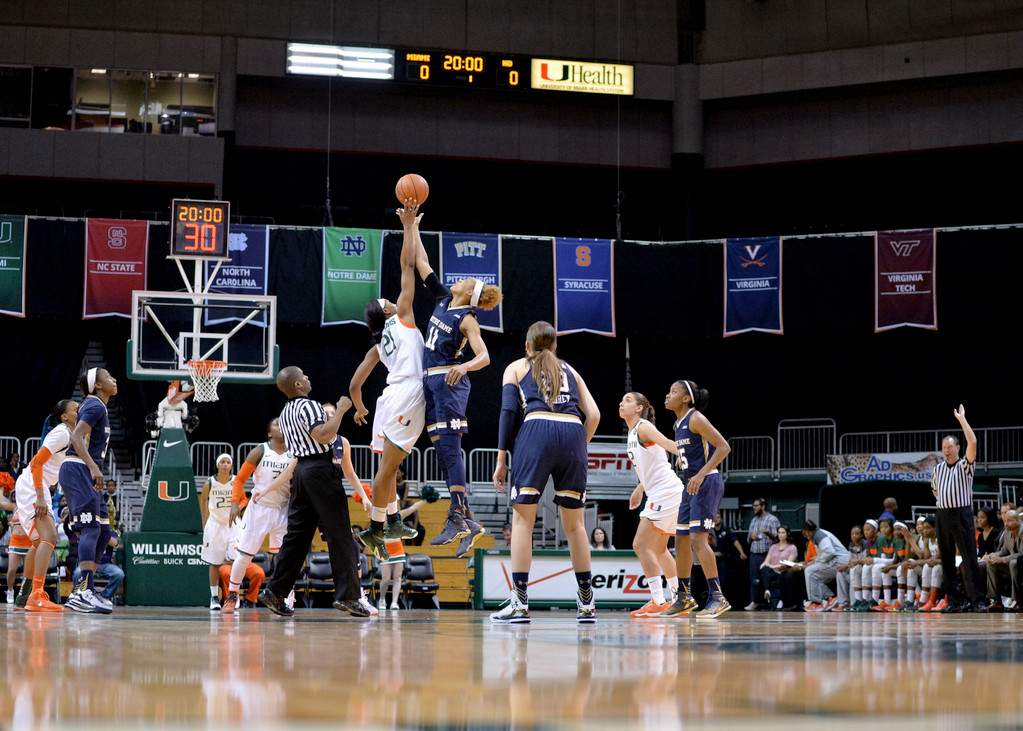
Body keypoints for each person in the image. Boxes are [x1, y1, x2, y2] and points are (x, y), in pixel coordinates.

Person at [491, 321, 600, 624]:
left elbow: (508, 412)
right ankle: (587, 603)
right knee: (575, 526)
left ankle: (520, 603)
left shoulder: (516, 367)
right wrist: (578, 444)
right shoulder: (571, 370)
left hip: (537, 427)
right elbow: (594, 415)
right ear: (555, 347)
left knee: (523, 522)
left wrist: (501, 459)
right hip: (573, 432)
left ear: (527, 346)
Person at [409, 206, 502, 556]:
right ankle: (468, 520)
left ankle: (457, 514)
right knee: (442, 451)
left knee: (451, 447)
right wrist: (414, 229)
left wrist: (464, 367)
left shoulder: (467, 319)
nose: (457, 279)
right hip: (431, 382)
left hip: (449, 383)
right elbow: (422, 265)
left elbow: (485, 356)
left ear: (469, 293)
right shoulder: (445, 298)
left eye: (464, 281)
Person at [257, 367, 368, 618]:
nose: (308, 378)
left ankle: (275, 591)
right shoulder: (310, 406)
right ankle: (349, 597)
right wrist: (340, 410)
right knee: (341, 535)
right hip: (320, 469)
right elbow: (323, 434)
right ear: (298, 385)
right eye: (304, 376)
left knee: (296, 538)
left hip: (301, 473)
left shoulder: (285, 413)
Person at [351, 201, 426, 561]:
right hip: (407, 393)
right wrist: (409, 227)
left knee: (387, 469)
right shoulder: (404, 316)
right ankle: (377, 528)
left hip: (388, 399)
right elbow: (407, 266)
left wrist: (362, 407)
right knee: (389, 470)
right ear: (386, 310)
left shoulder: (379, 344)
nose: (391, 299)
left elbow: (354, 386)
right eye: (386, 300)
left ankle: (388, 522)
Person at [660, 379, 732, 619]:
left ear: (686, 398)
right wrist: (684, 460)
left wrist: (700, 473)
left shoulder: (696, 418)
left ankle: (717, 597)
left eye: (673, 392)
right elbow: (692, 450)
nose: (667, 395)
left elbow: (723, 448)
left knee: (698, 540)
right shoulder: (677, 424)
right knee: (679, 541)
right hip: (690, 484)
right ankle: (684, 597)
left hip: (706, 481)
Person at [11, 399, 79, 612]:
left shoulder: (70, 434)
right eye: (76, 408)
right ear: (65, 416)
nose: (80, 410)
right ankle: (37, 596)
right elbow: (37, 463)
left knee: (39, 541)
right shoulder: (63, 433)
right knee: (49, 537)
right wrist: (40, 496)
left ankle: (26, 593)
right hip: (34, 485)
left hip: (33, 485)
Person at [620, 391, 683, 617]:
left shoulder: (643, 426)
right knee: (659, 549)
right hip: (665, 492)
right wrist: (640, 488)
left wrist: (689, 455)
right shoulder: (633, 433)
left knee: (640, 545)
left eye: (627, 400)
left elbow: (666, 444)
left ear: (639, 407)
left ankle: (658, 600)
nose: (621, 403)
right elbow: (661, 459)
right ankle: (679, 599)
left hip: (665, 492)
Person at [221, 418, 294, 613]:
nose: (281, 424)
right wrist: (235, 503)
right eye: (276, 423)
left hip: (283, 509)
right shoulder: (260, 451)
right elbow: (240, 480)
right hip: (258, 509)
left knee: (286, 558)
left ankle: (285, 598)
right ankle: (232, 595)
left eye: (283, 422)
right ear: (269, 433)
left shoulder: (295, 452)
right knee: (244, 556)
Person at [61, 367, 117, 614]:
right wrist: (94, 468)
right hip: (78, 469)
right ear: (98, 385)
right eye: (108, 377)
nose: (113, 379)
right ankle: (83, 590)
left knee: (104, 533)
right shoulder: (94, 405)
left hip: (86, 471)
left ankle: (83, 591)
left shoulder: (97, 405)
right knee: (92, 528)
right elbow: (75, 437)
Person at [931, 405, 986, 613]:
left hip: (962, 513)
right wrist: (944, 502)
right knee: (946, 560)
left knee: (969, 557)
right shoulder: (937, 469)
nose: (946, 450)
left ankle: (977, 601)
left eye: (950, 447)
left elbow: (973, 441)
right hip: (943, 515)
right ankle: (954, 602)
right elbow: (935, 491)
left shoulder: (965, 465)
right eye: (944, 447)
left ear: (958, 449)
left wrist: (962, 419)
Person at [201, 453, 236, 611]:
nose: (225, 464)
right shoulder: (210, 483)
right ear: (217, 465)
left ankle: (232, 596)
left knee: (236, 562)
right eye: (222, 461)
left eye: (228, 462)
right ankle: (214, 597)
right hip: (215, 525)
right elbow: (203, 500)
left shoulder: (236, 481)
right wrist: (204, 523)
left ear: (231, 465)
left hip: (232, 525)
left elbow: (242, 499)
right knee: (214, 563)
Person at [801, 520, 850, 612]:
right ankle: (830, 598)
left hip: (839, 561)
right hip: (837, 560)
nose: (805, 535)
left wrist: (817, 560)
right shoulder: (819, 533)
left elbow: (830, 552)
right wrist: (816, 560)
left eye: (804, 533)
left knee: (809, 571)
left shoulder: (818, 535)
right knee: (815, 576)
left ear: (807, 530)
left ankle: (816, 602)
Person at [980, 509, 1022, 611]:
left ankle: (1018, 601)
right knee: (991, 564)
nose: (1006, 524)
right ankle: (996, 601)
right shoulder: (1007, 532)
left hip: (1020, 564)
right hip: (1012, 563)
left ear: (1018, 520)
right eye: (1005, 521)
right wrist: (993, 556)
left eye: (1010, 520)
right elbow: (1003, 550)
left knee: (1013, 563)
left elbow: (1022, 555)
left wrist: (1002, 559)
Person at [744, 497, 780, 611]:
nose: (754, 508)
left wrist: (768, 533)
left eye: (756, 506)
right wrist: (751, 537)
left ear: (763, 506)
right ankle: (753, 602)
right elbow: (747, 539)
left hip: (768, 554)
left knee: (768, 580)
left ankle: (773, 603)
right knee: (754, 579)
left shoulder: (772, 519)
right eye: (753, 506)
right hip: (754, 554)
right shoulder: (753, 520)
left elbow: (778, 540)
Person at [72, 528, 123, 606]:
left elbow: (115, 543)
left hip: (105, 564)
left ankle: (105, 596)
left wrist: (103, 533)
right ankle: (78, 595)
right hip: (89, 563)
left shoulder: (111, 532)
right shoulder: (88, 531)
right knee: (77, 573)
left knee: (119, 574)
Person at [758, 525, 798, 610]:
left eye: (783, 532)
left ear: (787, 534)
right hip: (771, 571)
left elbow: (788, 564)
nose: (781, 535)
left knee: (768, 577)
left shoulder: (792, 547)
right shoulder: (773, 547)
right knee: (763, 570)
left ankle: (768, 591)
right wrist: (763, 565)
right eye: (779, 532)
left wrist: (773, 566)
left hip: (782, 571)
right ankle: (767, 591)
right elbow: (766, 561)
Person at [833, 524, 868, 611]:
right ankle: (843, 603)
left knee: (854, 571)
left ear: (862, 535)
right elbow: (849, 561)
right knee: (840, 573)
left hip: (864, 574)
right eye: (852, 534)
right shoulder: (851, 545)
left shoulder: (866, 545)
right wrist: (844, 566)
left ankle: (854, 602)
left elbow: (866, 562)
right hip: (856, 570)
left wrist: (854, 564)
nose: (854, 536)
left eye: (856, 533)